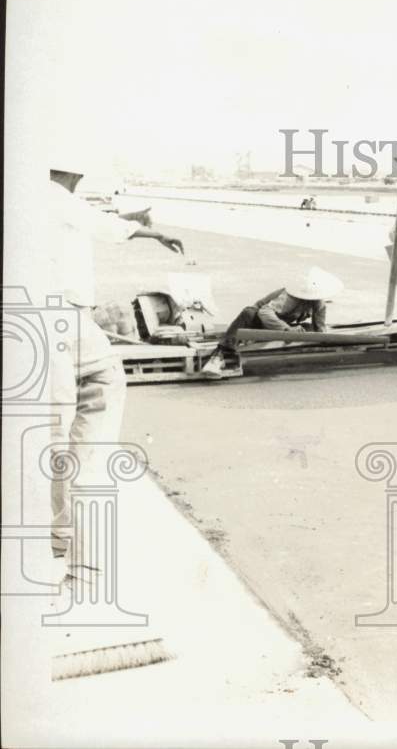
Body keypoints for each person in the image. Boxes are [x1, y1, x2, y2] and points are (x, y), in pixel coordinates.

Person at [48, 163, 185, 584]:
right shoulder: (52, 194)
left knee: (53, 433)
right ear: (75, 176)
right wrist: (153, 232)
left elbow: (88, 220)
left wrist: (130, 220)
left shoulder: (31, 200)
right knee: (85, 433)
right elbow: (98, 224)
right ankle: (80, 560)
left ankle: (59, 533)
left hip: (36, 319)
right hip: (60, 317)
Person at [202, 267, 342, 377]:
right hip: (258, 322)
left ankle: (287, 331)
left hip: (278, 325)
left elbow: (320, 329)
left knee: (308, 327)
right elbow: (265, 312)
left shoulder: (319, 302)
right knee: (248, 312)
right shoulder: (290, 297)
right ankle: (219, 356)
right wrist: (288, 330)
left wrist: (326, 339)